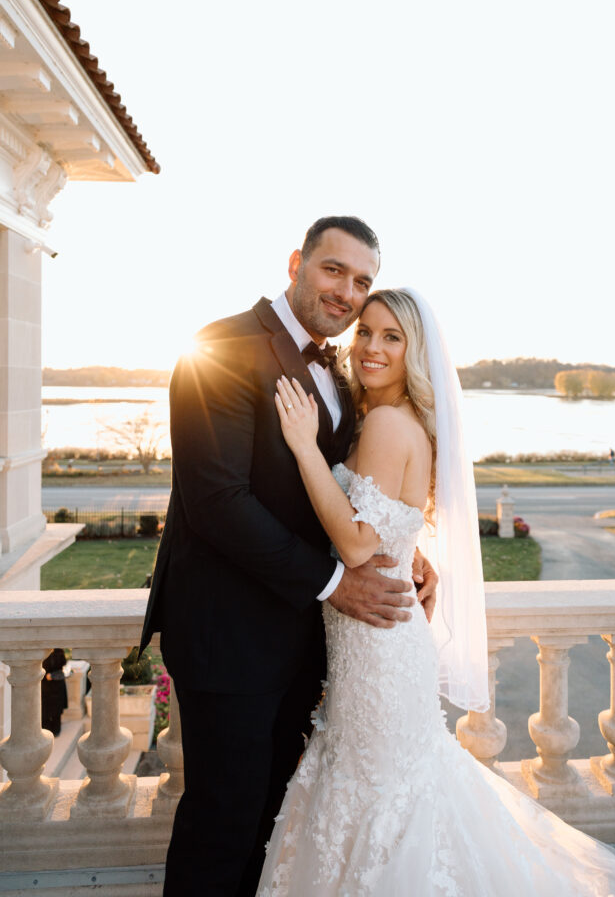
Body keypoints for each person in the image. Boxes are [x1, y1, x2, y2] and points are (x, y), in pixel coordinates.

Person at [257, 288, 615, 896]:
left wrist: (303, 449)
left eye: (392, 337)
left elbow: (354, 545)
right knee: (382, 791)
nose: (372, 348)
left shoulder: (385, 423)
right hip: (375, 638)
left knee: (383, 797)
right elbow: (388, 524)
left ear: (415, 352)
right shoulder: (383, 419)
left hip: (378, 648)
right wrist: (411, 555)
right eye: (366, 333)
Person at [138, 217, 438, 897]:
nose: (347, 292)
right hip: (230, 638)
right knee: (223, 824)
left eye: (361, 282)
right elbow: (218, 501)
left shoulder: (336, 368)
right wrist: (336, 581)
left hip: (301, 643)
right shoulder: (218, 348)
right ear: (297, 262)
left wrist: (404, 553)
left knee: (275, 822)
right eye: (334, 270)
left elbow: (355, 494)